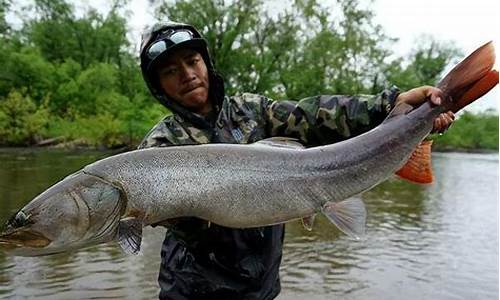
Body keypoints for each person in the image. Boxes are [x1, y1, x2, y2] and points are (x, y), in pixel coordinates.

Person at [138, 21, 454, 300]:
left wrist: (389, 105)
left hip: (261, 283)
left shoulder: (251, 110)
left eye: (192, 61)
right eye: (170, 71)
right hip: (192, 289)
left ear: (205, 63)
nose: (188, 75)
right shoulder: (160, 144)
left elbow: (314, 115)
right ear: (158, 86)